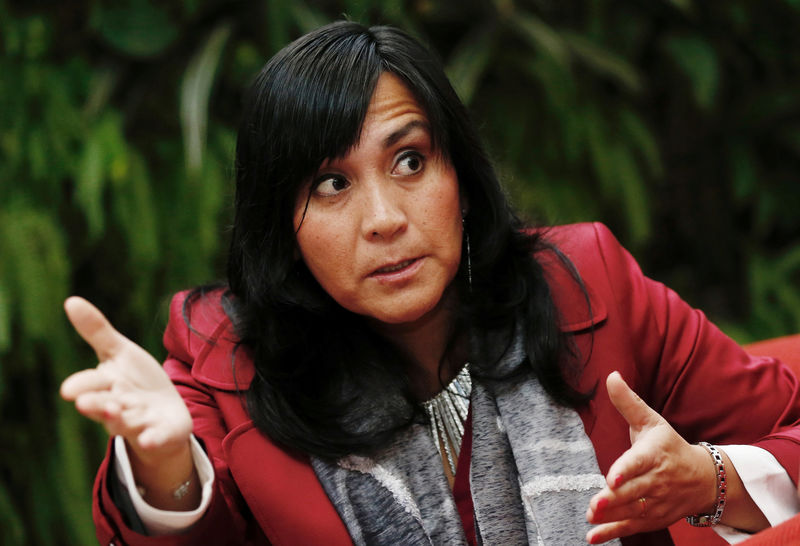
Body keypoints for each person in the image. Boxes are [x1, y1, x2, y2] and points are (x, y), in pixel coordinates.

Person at [60, 21, 800, 546]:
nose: (384, 220)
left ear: (462, 178)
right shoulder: (224, 356)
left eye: (409, 160)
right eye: (330, 183)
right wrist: (165, 471)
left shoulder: (588, 284)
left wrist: (711, 480)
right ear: (279, 224)